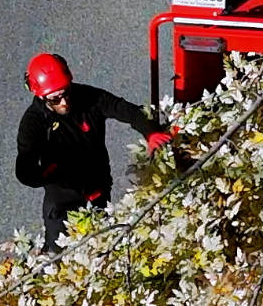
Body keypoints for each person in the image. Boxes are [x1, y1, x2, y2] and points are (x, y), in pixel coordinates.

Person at [15, 52, 172, 251]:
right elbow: (24, 169)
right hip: (63, 203)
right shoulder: (33, 123)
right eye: (55, 99)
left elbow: (123, 109)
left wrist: (150, 132)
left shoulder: (89, 98)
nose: (64, 102)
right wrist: (47, 174)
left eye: (66, 93)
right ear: (40, 95)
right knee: (56, 257)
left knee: (101, 248)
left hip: (98, 191)